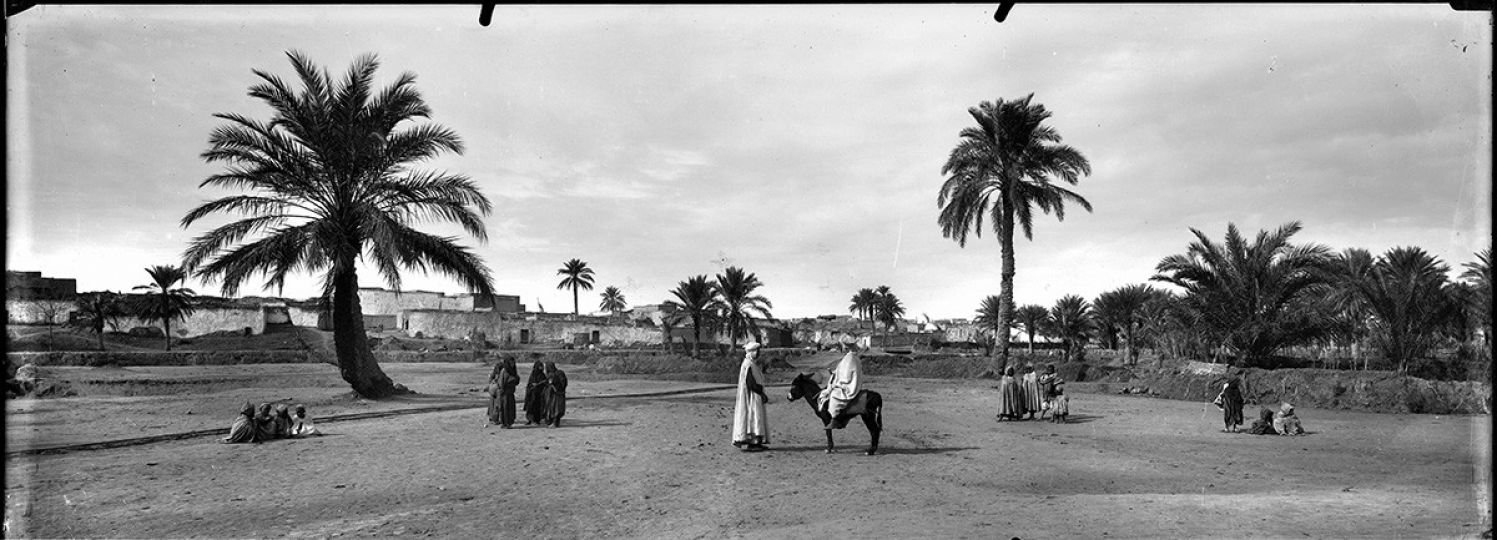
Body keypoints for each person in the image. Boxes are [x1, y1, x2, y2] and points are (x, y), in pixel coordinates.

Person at [731, 342, 770, 452]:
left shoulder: (751, 364)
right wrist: (761, 392)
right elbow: (750, 383)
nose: (758, 353)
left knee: (755, 418)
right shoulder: (748, 364)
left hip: (754, 396)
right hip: (752, 397)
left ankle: (756, 441)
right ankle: (752, 442)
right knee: (753, 418)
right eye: (756, 351)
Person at [818, 343, 863, 428]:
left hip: (849, 386)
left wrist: (837, 384)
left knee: (834, 396)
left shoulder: (850, 358)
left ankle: (835, 419)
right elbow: (842, 371)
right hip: (850, 383)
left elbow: (846, 377)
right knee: (826, 392)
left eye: (844, 347)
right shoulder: (849, 357)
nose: (843, 349)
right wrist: (834, 372)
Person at [486, 356, 521, 428]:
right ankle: (504, 423)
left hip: (510, 393)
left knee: (510, 409)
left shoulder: (513, 371)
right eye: (511, 363)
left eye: (513, 363)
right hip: (504, 393)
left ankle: (509, 423)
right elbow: (501, 382)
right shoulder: (504, 371)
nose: (512, 364)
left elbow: (516, 381)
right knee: (504, 408)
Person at [543, 361, 568, 427]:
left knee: (556, 409)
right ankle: (551, 422)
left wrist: (554, 383)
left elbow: (562, 384)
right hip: (550, 396)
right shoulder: (549, 374)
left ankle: (555, 423)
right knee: (550, 409)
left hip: (557, 395)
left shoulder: (559, 373)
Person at [524, 360, 549, 426]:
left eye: (541, 366)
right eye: (540, 366)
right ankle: (530, 420)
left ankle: (536, 420)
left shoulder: (542, 375)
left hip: (539, 395)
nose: (541, 368)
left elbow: (545, 383)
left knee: (537, 408)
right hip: (531, 394)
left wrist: (539, 385)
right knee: (530, 407)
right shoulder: (533, 374)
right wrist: (532, 386)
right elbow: (529, 383)